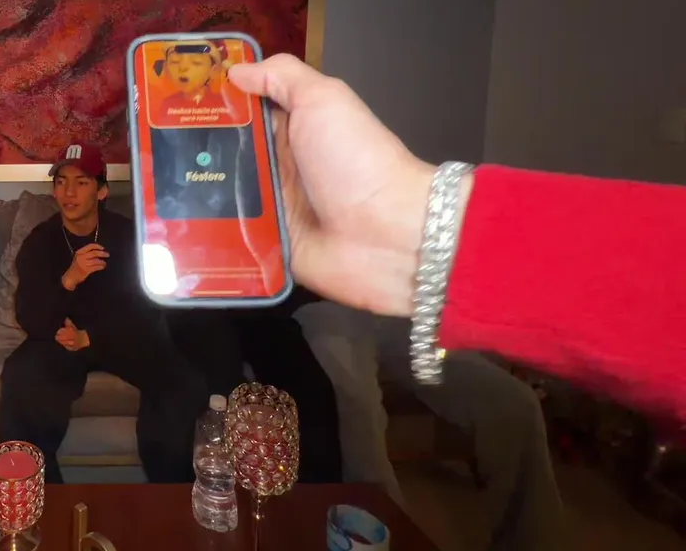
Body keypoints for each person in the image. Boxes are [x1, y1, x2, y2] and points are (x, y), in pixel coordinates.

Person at [224, 53, 686, 422]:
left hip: (383, 305)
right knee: (352, 406)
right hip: (328, 307)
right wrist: (411, 228)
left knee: (515, 405)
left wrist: (405, 218)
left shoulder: (288, 149)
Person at [0, 142, 208, 484]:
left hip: (117, 338)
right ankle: (39, 493)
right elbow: (30, 316)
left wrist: (92, 337)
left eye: (81, 182)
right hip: (62, 340)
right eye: (61, 182)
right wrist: (68, 280)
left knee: (182, 383)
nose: (69, 192)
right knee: (21, 376)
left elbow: (146, 310)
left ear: (102, 191)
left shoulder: (127, 236)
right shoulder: (41, 241)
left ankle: (168, 493)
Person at [296, 301, 563, 551]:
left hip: (401, 309)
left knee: (516, 403)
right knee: (357, 412)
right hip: (325, 305)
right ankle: (384, 539)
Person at [168, 286, 344, 483]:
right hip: (195, 304)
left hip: (260, 304)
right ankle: (210, 485)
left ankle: (317, 494)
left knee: (311, 390)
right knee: (221, 388)